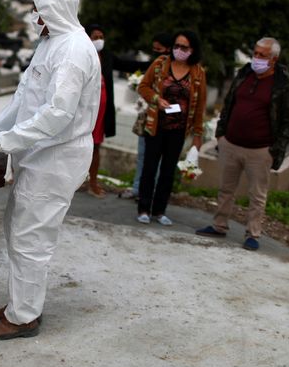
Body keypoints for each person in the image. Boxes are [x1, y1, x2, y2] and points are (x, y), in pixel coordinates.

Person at [0, 0, 101, 340]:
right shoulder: (50, 43)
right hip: (37, 154)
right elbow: (24, 98)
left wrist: (2, 143)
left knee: (31, 238)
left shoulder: (73, 52)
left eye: (40, 11)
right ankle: (20, 303)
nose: (35, 19)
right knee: (17, 230)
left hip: (57, 157)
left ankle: (23, 317)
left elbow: (58, 115)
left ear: (56, 11)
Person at [196, 37, 289, 251]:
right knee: (225, 189)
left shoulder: (283, 83)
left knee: (257, 194)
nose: (257, 58)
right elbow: (229, 102)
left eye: (262, 55)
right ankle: (219, 225)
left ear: (273, 59)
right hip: (230, 143)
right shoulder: (245, 73)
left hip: (260, 150)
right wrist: (221, 134)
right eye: (256, 53)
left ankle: (252, 233)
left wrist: (276, 149)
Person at [136, 30, 207, 226]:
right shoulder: (160, 64)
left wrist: (198, 135)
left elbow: (200, 105)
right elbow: (143, 87)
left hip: (179, 129)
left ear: (192, 50)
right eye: (176, 46)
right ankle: (143, 208)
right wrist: (157, 100)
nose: (179, 50)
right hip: (156, 125)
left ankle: (159, 211)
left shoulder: (198, 73)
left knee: (168, 171)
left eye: (184, 47)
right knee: (150, 168)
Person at [85, 24, 154, 197]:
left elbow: (128, 65)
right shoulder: (82, 54)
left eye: (101, 36)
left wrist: (154, 63)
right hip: (83, 109)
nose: (99, 40)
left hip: (101, 110)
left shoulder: (107, 56)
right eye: (95, 36)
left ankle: (92, 182)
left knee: (95, 146)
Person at [119, 32, 174, 200]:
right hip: (148, 118)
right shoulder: (154, 65)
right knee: (143, 156)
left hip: (165, 121)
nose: (157, 53)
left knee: (158, 160)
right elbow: (143, 85)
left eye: (160, 50)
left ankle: (151, 191)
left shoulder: (176, 70)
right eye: (154, 50)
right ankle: (139, 188)